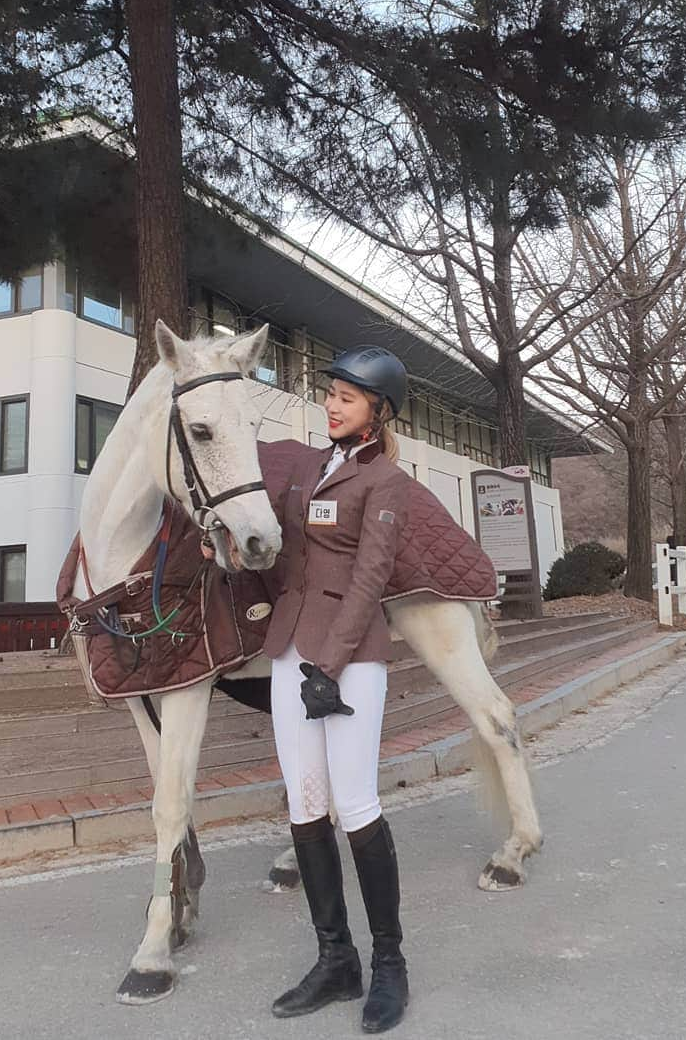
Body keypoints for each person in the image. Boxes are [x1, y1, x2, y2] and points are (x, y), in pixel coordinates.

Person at [263, 345, 411, 1033]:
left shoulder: (384, 481)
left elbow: (370, 578)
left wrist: (329, 665)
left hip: (349, 659)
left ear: (377, 413)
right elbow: (292, 554)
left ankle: (388, 964)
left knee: (354, 803)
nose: (331, 403)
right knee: (306, 804)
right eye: (331, 393)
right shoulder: (314, 469)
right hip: (291, 648)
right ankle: (335, 960)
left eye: (347, 397)